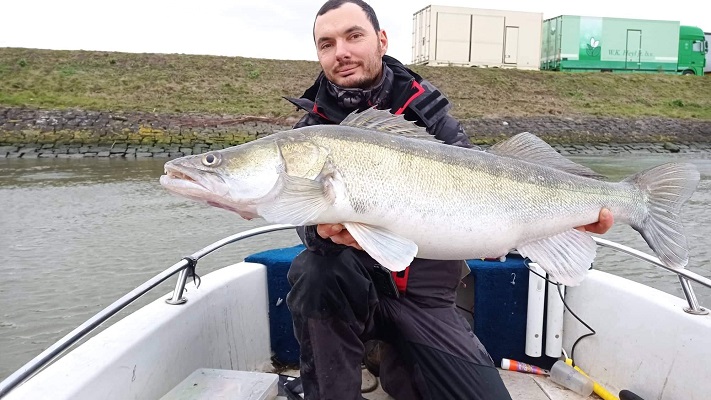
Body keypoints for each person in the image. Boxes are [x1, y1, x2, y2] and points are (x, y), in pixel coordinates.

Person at [284, 1, 615, 399]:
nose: (341, 51)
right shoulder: (309, 131)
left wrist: (565, 215)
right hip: (356, 294)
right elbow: (302, 219)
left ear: (381, 40)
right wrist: (321, 233)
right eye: (326, 43)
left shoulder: (430, 113)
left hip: (426, 301)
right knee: (314, 273)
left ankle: (391, 356)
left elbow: (478, 180)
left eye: (354, 35)